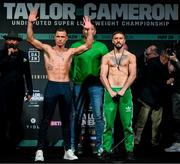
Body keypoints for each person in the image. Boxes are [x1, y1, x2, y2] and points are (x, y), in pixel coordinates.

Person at [27, 10, 94, 161]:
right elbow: (30, 39)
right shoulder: (47, 49)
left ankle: (68, 150)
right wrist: (30, 22)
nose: (60, 39)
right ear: (54, 37)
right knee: (45, 119)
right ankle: (39, 151)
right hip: (52, 86)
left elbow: (89, 45)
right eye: (58, 36)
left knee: (67, 120)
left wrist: (89, 29)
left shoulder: (70, 52)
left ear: (66, 38)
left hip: (65, 87)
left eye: (63, 37)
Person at [70, 22, 108, 157]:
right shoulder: (75, 46)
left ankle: (100, 148)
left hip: (96, 85)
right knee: (76, 116)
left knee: (98, 116)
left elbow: (106, 67)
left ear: (95, 31)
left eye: (91, 29)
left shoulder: (102, 47)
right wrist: (73, 80)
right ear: (83, 31)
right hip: (79, 84)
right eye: (86, 29)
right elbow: (70, 66)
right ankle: (72, 147)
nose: (88, 31)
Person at [100, 31, 136, 161]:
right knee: (108, 124)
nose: (118, 40)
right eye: (116, 38)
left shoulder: (131, 57)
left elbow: (132, 75)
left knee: (127, 124)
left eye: (121, 38)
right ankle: (106, 150)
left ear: (124, 40)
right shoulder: (107, 57)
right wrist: (109, 90)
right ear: (112, 41)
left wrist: (123, 89)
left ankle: (129, 151)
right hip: (110, 92)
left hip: (125, 92)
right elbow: (102, 75)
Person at [0, 31, 33, 152]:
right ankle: (3, 143)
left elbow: (28, 75)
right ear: (6, 41)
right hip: (3, 91)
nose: (12, 42)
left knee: (16, 117)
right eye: (9, 39)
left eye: (14, 40)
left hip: (18, 91)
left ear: (18, 42)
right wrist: (8, 56)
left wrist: (30, 91)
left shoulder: (23, 55)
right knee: (3, 117)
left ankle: (14, 143)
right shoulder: (1, 54)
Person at [134, 45, 171, 147]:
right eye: (167, 58)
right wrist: (166, 82)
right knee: (141, 121)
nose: (168, 60)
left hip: (159, 99)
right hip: (148, 97)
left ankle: (154, 142)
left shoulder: (167, 65)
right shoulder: (152, 63)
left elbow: (169, 77)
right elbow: (149, 81)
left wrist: (169, 69)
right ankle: (136, 140)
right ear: (163, 56)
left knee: (156, 123)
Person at [164, 43, 180, 152]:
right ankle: (177, 143)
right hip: (177, 92)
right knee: (176, 118)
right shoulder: (174, 59)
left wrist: (177, 61)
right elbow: (170, 71)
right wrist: (171, 60)